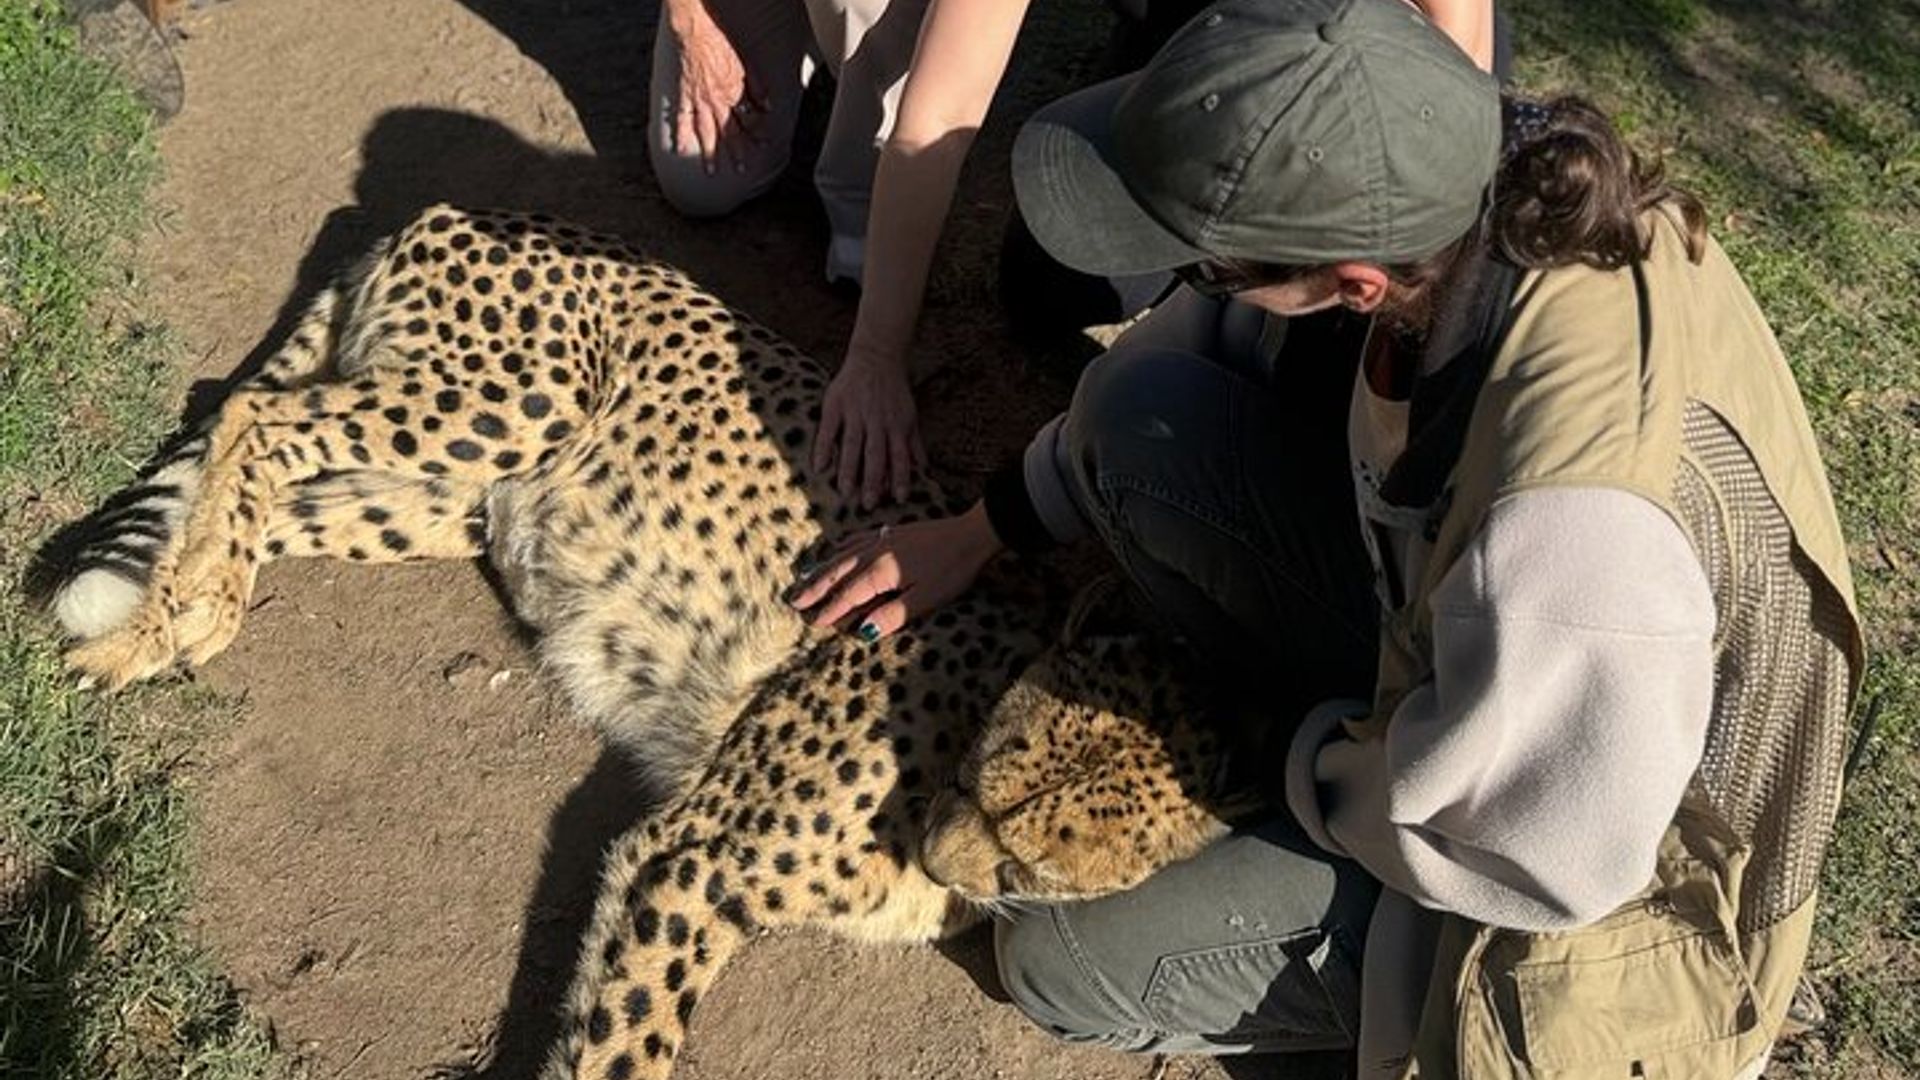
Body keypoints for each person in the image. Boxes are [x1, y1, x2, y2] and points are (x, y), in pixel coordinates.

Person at [790, 0, 1864, 1075]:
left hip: (1584, 882)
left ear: (1354, 284)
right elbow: (1186, 345)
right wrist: (986, 527)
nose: (1194, 286)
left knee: (1057, 957)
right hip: (1474, 681)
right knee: (1133, 415)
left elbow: (1535, 856)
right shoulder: (1461, 173)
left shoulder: (1572, 543)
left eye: (1211, 265)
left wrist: (1289, 759)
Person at [648, 0, 1498, 509]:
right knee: (1051, 280)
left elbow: (1454, 88)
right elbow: (938, 116)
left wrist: (1372, 238)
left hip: (1394, 92)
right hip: (1214, 47)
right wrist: (875, 352)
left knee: (1329, 358)